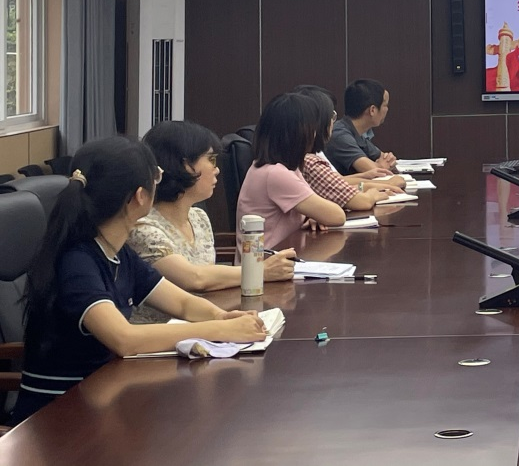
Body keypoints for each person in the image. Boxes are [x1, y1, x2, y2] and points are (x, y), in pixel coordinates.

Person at [9, 137, 267, 425]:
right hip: (57, 418)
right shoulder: (77, 261)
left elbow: (182, 303)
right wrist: (220, 329)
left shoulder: (117, 252)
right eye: (156, 177)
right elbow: (124, 339)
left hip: (100, 402)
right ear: (140, 196)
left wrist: (222, 316)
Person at [127, 121, 295, 322]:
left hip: (204, 325)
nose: (217, 170)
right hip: (162, 335)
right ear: (185, 166)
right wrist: (261, 271)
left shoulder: (199, 218)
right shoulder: (143, 227)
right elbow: (194, 278)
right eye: (211, 160)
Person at [239, 92, 347, 249]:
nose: (314, 134)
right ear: (299, 133)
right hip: (267, 262)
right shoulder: (275, 174)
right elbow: (337, 216)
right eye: (312, 128)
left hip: (280, 255)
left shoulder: (271, 168)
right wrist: (319, 214)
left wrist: (311, 216)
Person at [292, 85, 402, 210]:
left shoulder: (314, 153)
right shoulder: (312, 159)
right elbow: (341, 211)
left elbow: (338, 180)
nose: (333, 121)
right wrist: (383, 183)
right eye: (331, 116)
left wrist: (368, 176)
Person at [324, 79, 399, 175]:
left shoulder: (357, 133)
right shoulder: (339, 134)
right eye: (385, 105)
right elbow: (377, 171)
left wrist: (387, 160)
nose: (387, 109)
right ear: (372, 110)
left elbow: (384, 158)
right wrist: (381, 166)